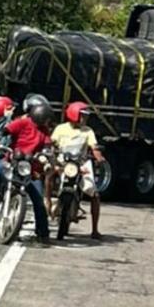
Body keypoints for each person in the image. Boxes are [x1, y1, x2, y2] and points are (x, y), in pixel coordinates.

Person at [0, 102, 54, 244]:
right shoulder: (22, 123)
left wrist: (46, 156)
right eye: (46, 118)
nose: (47, 121)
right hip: (12, 161)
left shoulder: (44, 131)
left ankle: (43, 232)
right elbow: (6, 130)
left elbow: (47, 146)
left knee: (38, 201)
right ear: (40, 116)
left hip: (30, 168)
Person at [50, 101, 105, 239]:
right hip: (63, 163)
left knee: (94, 194)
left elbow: (94, 147)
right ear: (74, 114)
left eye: (85, 116)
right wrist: (51, 154)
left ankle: (95, 229)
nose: (84, 119)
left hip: (81, 164)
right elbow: (52, 144)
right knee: (48, 177)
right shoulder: (60, 129)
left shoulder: (88, 131)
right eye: (82, 116)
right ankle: (47, 201)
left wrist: (99, 157)